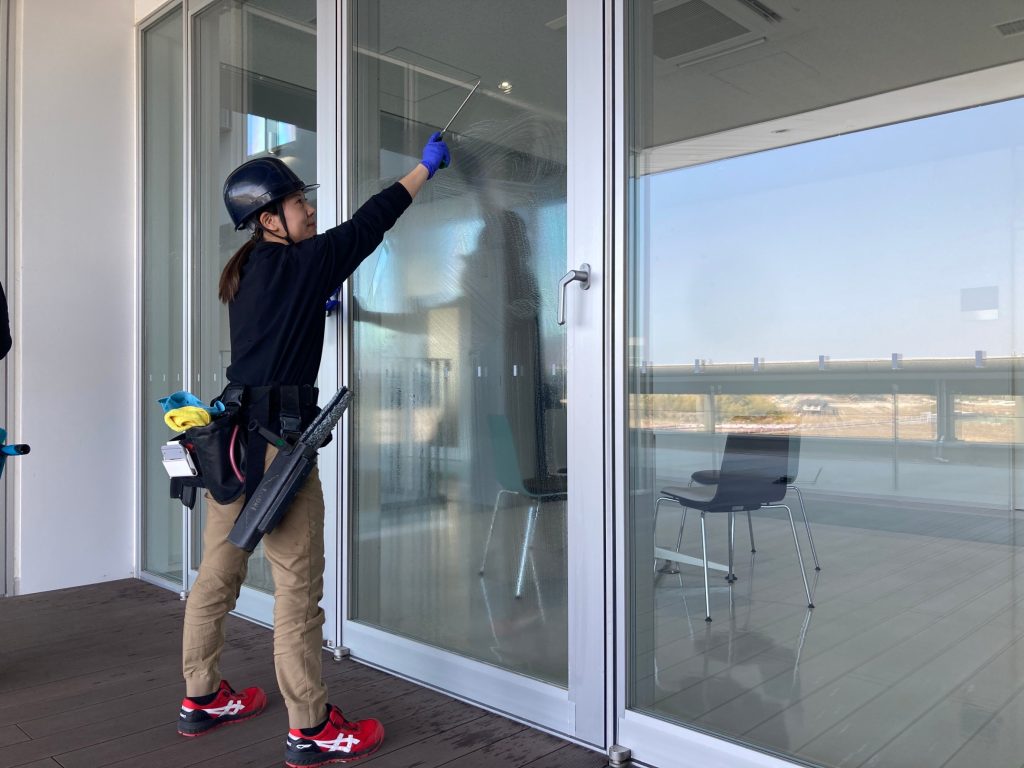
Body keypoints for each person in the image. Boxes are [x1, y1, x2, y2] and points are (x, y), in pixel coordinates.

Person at [176, 132, 450, 767]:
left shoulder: (248, 272)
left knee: (216, 575)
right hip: (278, 452)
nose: (311, 209)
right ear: (269, 219)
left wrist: (310, 306)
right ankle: (311, 728)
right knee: (297, 592)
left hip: (231, 446)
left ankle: (201, 697)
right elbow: (371, 223)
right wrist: (422, 170)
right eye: (299, 202)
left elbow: (274, 331)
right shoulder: (301, 264)